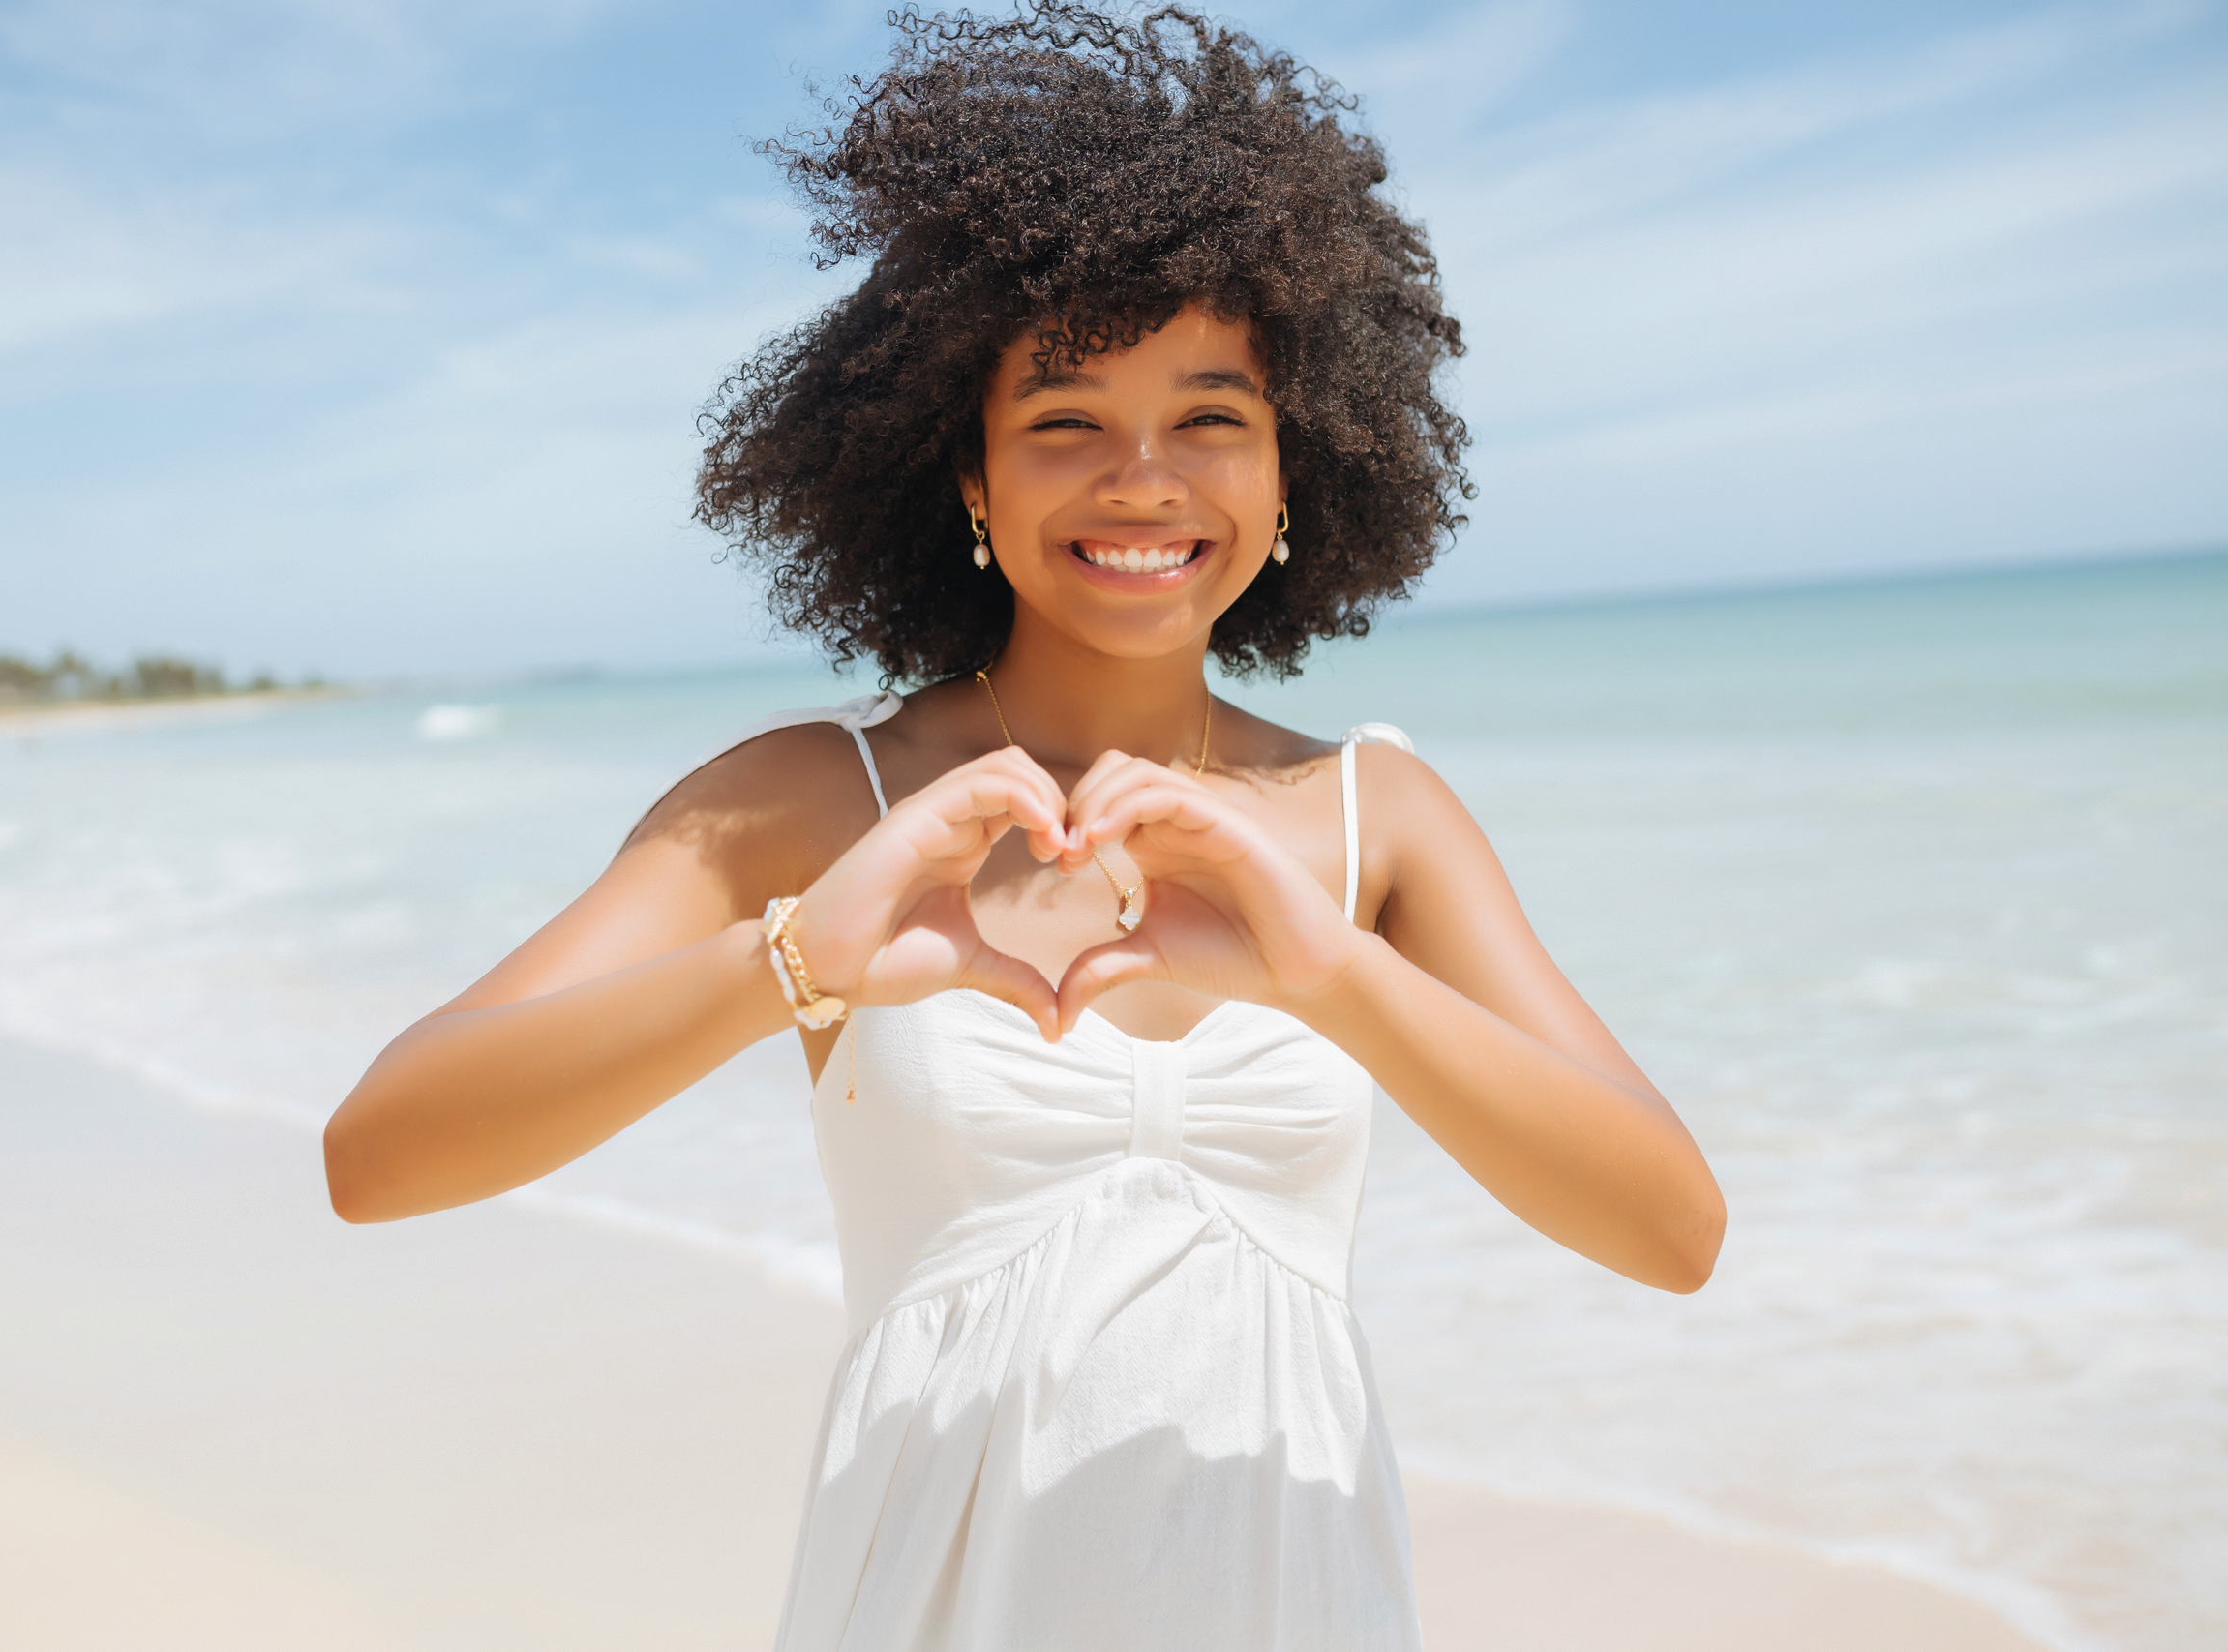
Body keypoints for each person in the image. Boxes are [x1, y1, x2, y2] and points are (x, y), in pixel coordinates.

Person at [323, 6, 1725, 1647]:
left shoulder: (1376, 817)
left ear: (1293, 476)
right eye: (1064, 419)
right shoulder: (810, 802)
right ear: (971, 480)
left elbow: (1670, 1227)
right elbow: (382, 1153)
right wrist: (792, 959)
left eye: (1211, 414)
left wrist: (1331, 972)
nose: (1142, 478)